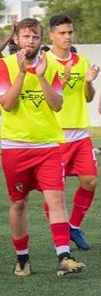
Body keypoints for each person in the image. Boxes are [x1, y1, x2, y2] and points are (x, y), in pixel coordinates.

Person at [0, 17, 85, 276]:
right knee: (19, 203)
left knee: (56, 199)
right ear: (16, 39)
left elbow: (56, 105)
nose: (30, 41)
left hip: (48, 145)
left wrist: (41, 77)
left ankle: (63, 257)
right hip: (15, 146)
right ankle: (22, 258)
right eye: (25, 37)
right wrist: (23, 72)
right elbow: (7, 104)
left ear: (40, 40)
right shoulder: (3, 66)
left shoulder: (50, 66)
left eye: (35, 37)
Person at [46, 14, 98, 251]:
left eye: (70, 32)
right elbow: (46, 99)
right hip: (55, 135)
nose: (67, 36)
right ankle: (61, 240)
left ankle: (73, 226)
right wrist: (64, 80)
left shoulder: (82, 60)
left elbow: (88, 97)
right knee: (56, 192)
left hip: (80, 133)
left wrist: (88, 82)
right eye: (62, 33)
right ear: (52, 35)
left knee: (90, 181)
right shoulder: (44, 62)